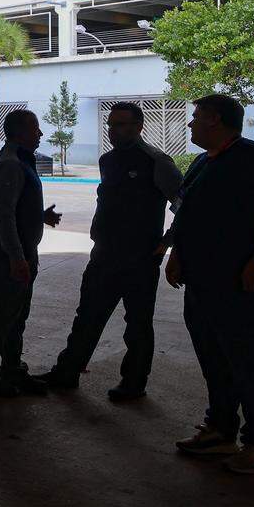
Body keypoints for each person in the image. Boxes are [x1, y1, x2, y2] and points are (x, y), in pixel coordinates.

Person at [164, 94, 254, 474]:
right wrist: (178, 255)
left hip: (242, 286)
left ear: (215, 121)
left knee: (247, 364)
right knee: (214, 360)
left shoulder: (252, 158)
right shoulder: (204, 162)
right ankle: (220, 430)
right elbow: (188, 212)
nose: (189, 124)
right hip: (202, 285)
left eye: (195, 117)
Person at [34, 102, 182, 400]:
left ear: (139, 126)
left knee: (137, 323)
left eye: (122, 124)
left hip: (140, 258)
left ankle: (134, 383)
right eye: (111, 125)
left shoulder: (156, 161)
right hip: (104, 254)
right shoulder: (108, 161)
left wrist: (168, 240)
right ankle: (67, 372)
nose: (114, 130)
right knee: (87, 315)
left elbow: (185, 204)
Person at [0, 109, 62, 397]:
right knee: (4, 314)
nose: (41, 134)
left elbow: (16, 207)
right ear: (21, 132)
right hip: (8, 253)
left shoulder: (21, 160)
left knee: (17, 314)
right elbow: (3, 215)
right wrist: (16, 257)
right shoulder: (11, 164)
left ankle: (12, 370)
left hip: (21, 249)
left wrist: (38, 216)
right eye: (36, 128)